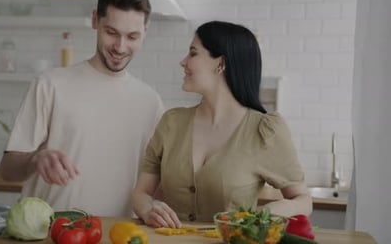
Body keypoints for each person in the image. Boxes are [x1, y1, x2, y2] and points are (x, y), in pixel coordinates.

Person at [0, 0, 165, 217]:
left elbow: (154, 185)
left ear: (145, 31)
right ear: (95, 20)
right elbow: (7, 169)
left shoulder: (151, 102)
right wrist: (36, 160)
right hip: (51, 232)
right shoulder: (50, 84)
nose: (120, 46)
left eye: (132, 36)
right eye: (111, 32)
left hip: (119, 235)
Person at [132, 21, 312, 228]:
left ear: (220, 64)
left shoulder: (265, 130)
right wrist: (148, 209)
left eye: (193, 53)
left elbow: (303, 201)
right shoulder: (171, 122)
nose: (184, 61)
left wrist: (269, 211)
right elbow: (141, 194)